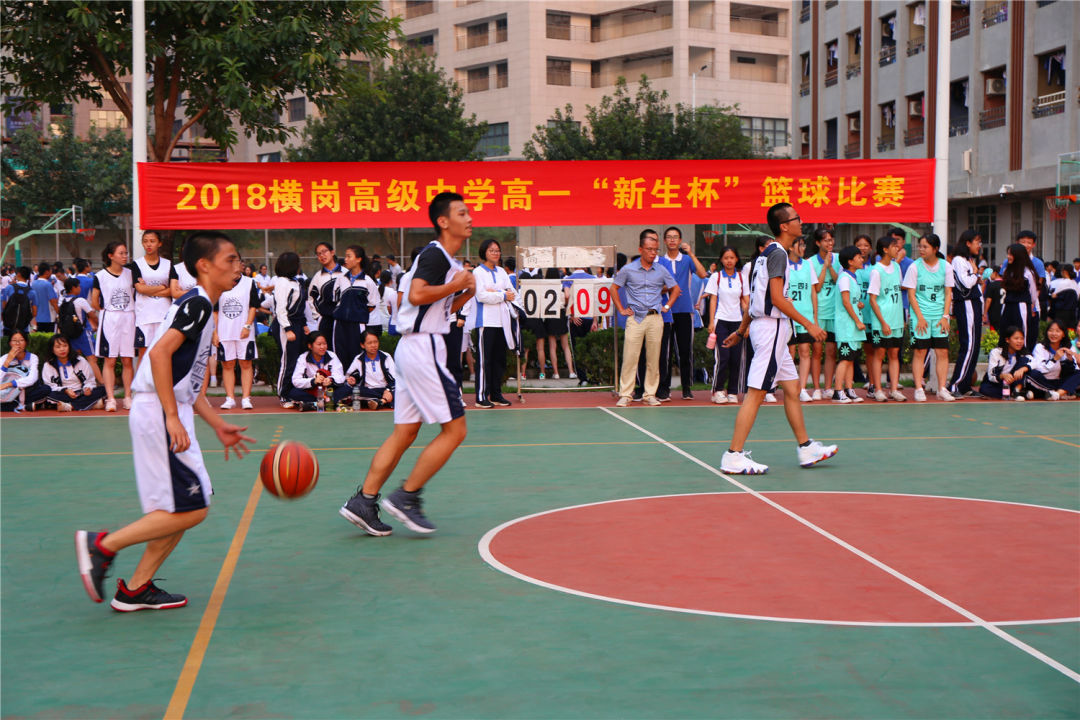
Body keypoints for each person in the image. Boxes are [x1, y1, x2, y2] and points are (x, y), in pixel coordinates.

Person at [75, 231, 253, 612]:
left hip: (170, 407)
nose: (238, 266)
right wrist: (172, 417)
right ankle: (103, 545)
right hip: (159, 409)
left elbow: (190, 385)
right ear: (204, 266)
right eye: (231, 260)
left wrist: (216, 423)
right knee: (194, 508)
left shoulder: (201, 304)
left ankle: (135, 589)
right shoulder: (199, 304)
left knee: (184, 509)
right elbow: (158, 356)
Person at [339, 192, 476, 536]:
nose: (470, 217)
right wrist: (456, 284)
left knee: (405, 432)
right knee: (456, 430)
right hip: (424, 349)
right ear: (444, 221)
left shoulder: (444, 260)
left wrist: (463, 295)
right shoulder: (437, 255)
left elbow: (433, 305)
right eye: (462, 212)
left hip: (411, 347)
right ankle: (407, 496)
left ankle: (364, 502)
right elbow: (417, 295)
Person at [719, 203, 837, 475]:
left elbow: (755, 302)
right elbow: (775, 299)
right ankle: (733, 455)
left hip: (771, 329)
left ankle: (806, 447)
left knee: (793, 389)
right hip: (771, 329)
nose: (801, 221)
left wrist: (740, 331)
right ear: (785, 226)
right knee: (756, 393)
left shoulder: (765, 255)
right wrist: (808, 323)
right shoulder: (779, 255)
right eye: (797, 218)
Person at [612, 230, 680, 407]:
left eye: (655, 250)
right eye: (649, 249)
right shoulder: (628, 269)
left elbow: (676, 289)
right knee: (630, 357)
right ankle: (626, 394)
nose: (652, 253)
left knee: (653, 358)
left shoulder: (661, 270)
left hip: (655, 318)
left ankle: (650, 394)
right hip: (635, 318)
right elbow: (613, 288)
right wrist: (621, 308)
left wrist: (666, 307)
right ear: (640, 249)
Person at [657, 226, 708, 400]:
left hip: (685, 309)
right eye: (669, 237)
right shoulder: (659, 261)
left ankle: (687, 387)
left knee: (685, 350)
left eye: (675, 237)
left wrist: (692, 254)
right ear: (664, 241)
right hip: (665, 310)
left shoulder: (686, 260)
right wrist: (667, 289)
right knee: (666, 352)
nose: (672, 240)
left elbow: (702, 274)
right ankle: (664, 388)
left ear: (680, 240)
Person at [903, 233, 954, 402]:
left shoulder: (946, 267)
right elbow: (911, 294)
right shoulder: (914, 267)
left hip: (939, 316)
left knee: (942, 352)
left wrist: (945, 316)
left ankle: (942, 388)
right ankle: (918, 388)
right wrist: (920, 317)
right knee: (919, 351)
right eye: (920, 246)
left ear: (935, 248)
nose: (921, 249)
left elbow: (948, 293)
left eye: (925, 246)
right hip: (921, 316)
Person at [93, 242, 137, 411]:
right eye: (121, 253)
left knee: (127, 360)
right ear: (110, 256)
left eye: (126, 252)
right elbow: (95, 301)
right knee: (110, 360)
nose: (125, 255)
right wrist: (105, 310)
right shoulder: (100, 276)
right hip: (110, 318)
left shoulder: (131, 274)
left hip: (129, 317)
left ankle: (127, 396)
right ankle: (110, 398)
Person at [473, 238, 516, 408]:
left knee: (499, 360)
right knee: (485, 361)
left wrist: (497, 293)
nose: (496, 253)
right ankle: (481, 396)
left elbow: (511, 292)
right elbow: (482, 296)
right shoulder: (478, 272)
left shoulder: (501, 272)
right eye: (492, 250)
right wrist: (502, 294)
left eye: (497, 250)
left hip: (502, 322)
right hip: (486, 322)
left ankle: (496, 394)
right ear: (484, 252)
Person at [704, 246, 748, 404]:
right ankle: (717, 390)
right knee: (723, 357)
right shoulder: (716, 277)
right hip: (721, 321)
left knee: (736, 358)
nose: (729, 260)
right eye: (726, 258)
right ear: (721, 260)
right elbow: (713, 300)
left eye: (732, 257)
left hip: (737, 322)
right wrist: (711, 322)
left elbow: (745, 301)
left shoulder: (742, 278)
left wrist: (747, 324)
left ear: (737, 259)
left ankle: (733, 391)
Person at [214, 265, 260, 410]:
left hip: (244, 331)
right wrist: (215, 332)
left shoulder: (249, 282)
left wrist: (247, 325)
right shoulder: (218, 281)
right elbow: (215, 310)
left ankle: (246, 398)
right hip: (224, 331)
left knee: (245, 363)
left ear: (241, 265)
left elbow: (253, 306)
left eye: (237, 262)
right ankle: (230, 398)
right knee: (227, 365)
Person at [867, 236, 906, 402]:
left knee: (894, 354)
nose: (897, 248)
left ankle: (894, 389)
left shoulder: (897, 267)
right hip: (882, 321)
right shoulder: (876, 271)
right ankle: (878, 389)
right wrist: (883, 322)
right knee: (879, 354)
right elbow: (872, 299)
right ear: (884, 249)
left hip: (897, 320)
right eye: (893, 246)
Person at [948, 230, 984, 397]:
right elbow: (966, 283)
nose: (980, 245)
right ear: (968, 243)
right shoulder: (958, 260)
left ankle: (965, 385)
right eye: (977, 241)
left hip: (974, 304)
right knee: (968, 345)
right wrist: (976, 274)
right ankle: (955, 385)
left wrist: (976, 275)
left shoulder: (968, 261)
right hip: (967, 304)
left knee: (974, 346)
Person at [332, 245, 379, 370]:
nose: (345, 259)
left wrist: (356, 314)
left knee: (356, 354)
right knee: (339, 355)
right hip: (339, 324)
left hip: (357, 325)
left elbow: (371, 305)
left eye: (349, 256)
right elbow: (335, 299)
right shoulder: (341, 279)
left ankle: (356, 384)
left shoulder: (368, 281)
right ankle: (341, 384)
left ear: (358, 259)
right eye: (345, 256)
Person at [129, 230, 173, 359]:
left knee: (164, 353)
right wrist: (161, 287)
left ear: (159, 244)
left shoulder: (168, 264)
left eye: (152, 241)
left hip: (164, 315)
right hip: (145, 317)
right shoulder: (137, 264)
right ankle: (142, 380)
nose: (149, 244)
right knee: (144, 355)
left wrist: (148, 288)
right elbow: (140, 289)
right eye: (145, 241)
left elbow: (172, 290)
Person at [272, 252, 308, 408]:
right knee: (287, 361)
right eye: (297, 263)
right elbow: (280, 309)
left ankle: (292, 392)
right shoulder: (282, 282)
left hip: (297, 324)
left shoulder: (296, 282)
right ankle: (283, 395)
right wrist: (287, 329)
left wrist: (304, 325)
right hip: (285, 325)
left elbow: (299, 307)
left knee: (297, 361)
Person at [785, 236, 818, 402]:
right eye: (800, 245)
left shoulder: (808, 264)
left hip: (805, 316)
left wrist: (815, 318)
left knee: (805, 351)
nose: (804, 247)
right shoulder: (783, 265)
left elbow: (813, 291)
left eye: (805, 244)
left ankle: (803, 388)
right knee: (789, 353)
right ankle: (789, 388)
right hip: (788, 316)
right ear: (791, 247)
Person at [808, 227, 839, 401]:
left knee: (831, 351)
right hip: (819, 312)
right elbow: (817, 287)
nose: (829, 243)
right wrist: (824, 266)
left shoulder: (839, 259)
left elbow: (838, 281)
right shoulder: (811, 262)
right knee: (817, 351)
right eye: (826, 240)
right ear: (818, 243)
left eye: (831, 239)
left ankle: (828, 387)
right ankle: (817, 388)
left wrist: (831, 266)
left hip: (835, 312)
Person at [832, 246, 867, 403]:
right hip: (846, 325)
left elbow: (850, 301)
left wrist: (858, 304)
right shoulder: (845, 278)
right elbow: (845, 302)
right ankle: (837, 391)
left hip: (852, 326)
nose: (862, 259)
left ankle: (849, 389)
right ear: (850, 261)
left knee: (851, 359)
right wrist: (858, 321)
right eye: (859, 257)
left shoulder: (852, 277)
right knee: (845, 359)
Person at [40, 333, 106, 411]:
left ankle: (70, 406)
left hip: (81, 392)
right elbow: (50, 385)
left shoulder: (80, 360)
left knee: (103, 390)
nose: (62, 349)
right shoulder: (48, 364)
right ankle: (89, 404)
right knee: (47, 393)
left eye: (65, 346)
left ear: (69, 346)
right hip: (62, 394)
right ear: (52, 350)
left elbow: (90, 380)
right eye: (58, 347)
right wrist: (65, 390)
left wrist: (88, 388)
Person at [57, 276, 103, 384]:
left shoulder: (62, 300)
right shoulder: (80, 300)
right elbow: (92, 315)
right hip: (83, 334)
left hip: (69, 335)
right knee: (92, 360)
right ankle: (102, 383)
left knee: (75, 360)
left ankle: (77, 383)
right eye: (78, 286)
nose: (80, 288)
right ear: (73, 287)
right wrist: (99, 326)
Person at [289, 331, 350, 410]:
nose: (322, 347)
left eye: (324, 344)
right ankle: (329, 403)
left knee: (347, 389)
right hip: (312, 392)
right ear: (310, 346)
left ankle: (313, 405)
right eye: (319, 344)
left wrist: (331, 379)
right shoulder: (303, 358)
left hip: (329, 391)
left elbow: (340, 376)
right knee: (293, 393)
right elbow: (296, 380)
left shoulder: (332, 355)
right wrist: (313, 381)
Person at [997, 243, 1039, 352]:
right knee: (1005, 332)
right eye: (1008, 254)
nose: (1008, 256)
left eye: (1011, 254)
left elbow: (1033, 293)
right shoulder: (1007, 271)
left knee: (1021, 333)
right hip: (1007, 306)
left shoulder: (1028, 272)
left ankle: (1022, 358)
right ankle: (1004, 358)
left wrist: (1033, 306)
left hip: (1021, 306)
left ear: (1018, 255)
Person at [1024, 320, 1080, 400]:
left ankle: (1056, 394)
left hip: (1059, 382)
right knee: (1031, 373)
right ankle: (1062, 392)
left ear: (1063, 334)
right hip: (1042, 381)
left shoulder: (1069, 347)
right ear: (1047, 333)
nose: (1054, 334)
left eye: (1057, 331)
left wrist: (1070, 360)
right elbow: (1039, 369)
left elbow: (1074, 371)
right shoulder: (1040, 347)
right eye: (1051, 330)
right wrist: (1054, 359)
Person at [0, 329, 49, 412]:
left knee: (45, 389)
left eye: (21, 340)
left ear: (26, 343)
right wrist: (8, 361)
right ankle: (22, 406)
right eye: (14, 341)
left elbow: (32, 378)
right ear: (10, 343)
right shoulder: (4, 358)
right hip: (7, 392)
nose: (18, 343)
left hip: (25, 390)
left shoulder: (33, 357)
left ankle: (14, 405)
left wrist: (10, 384)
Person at [346, 331, 396, 410]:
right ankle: (383, 400)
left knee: (400, 390)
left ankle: (379, 401)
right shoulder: (358, 359)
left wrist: (388, 390)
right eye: (369, 343)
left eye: (375, 342)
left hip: (385, 389)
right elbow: (350, 376)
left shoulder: (386, 357)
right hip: (368, 391)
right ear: (362, 345)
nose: (373, 345)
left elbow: (394, 378)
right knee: (353, 391)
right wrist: (352, 380)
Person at [979, 326, 1030, 400]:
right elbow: (991, 375)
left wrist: (1023, 369)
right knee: (985, 389)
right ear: (1007, 340)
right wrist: (1002, 376)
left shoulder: (1023, 353)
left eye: (1022, 338)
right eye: (1016, 338)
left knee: (1025, 363)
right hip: (997, 383)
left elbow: (1035, 363)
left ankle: (1017, 391)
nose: (1020, 341)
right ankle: (1017, 393)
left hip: (1013, 382)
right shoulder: (996, 352)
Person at [542, 267, 576, 380]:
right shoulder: (561, 285)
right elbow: (567, 298)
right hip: (561, 313)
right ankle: (571, 371)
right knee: (565, 346)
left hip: (549, 315)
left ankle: (556, 373)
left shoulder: (543, 287)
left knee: (552, 346)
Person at [309, 242, 343, 347]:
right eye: (318, 254)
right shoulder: (317, 277)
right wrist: (318, 317)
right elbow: (311, 298)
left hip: (343, 321)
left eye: (324, 252)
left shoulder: (346, 273)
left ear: (332, 252)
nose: (322, 256)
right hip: (326, 322)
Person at [1, 266, 36, 338]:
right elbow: (34, 312)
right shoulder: (32, 292)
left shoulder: (9, 288)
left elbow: (4, 306)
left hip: (8, 326)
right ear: (28, 277)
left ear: (18, 274)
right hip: (24, 327)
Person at [30, 262, 58, 333]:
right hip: (48, 318)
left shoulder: (33, 284)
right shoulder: (48, 285)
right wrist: (60, 313)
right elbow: (53, 302)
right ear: (46, 272)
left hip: (37, 318)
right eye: (50, 271)